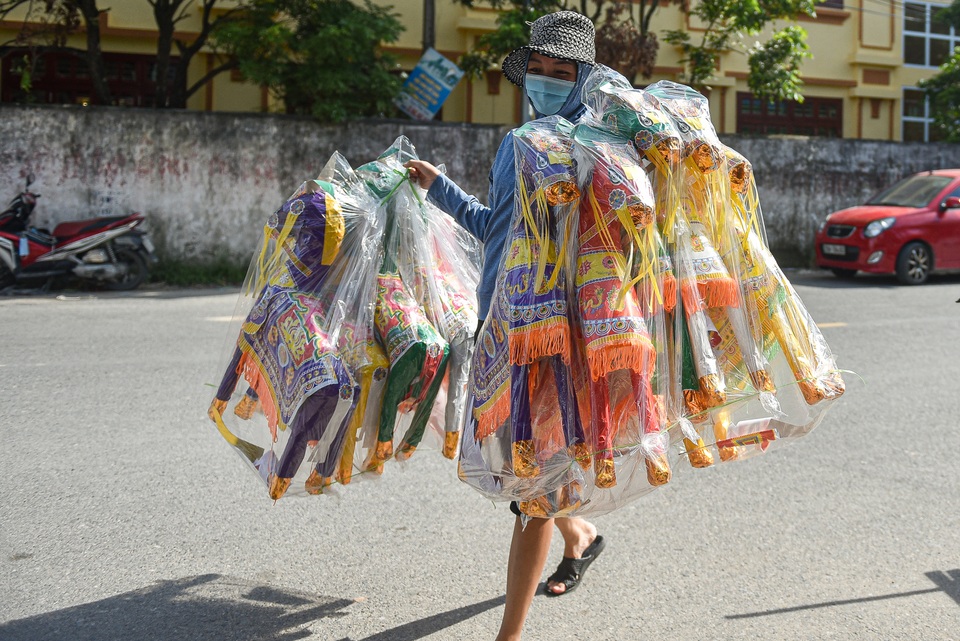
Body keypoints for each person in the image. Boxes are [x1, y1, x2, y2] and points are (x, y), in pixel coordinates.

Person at [404, 11, 605, 641]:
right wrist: (439, 190)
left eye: (560, 72)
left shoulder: (595, 149)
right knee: (533, 475)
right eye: (538, 71)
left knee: (531, 490)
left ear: (582, 79)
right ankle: (584, 535)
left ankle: (509, 635)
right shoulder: (518, 141)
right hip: (500, 326)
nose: (546, 81)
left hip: (556, 338)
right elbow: (499, 227)